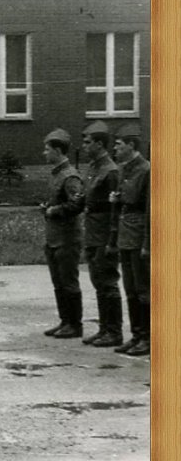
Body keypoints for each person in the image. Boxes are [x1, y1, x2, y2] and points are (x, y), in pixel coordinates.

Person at [80, 120, 123, 347]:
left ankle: (114, 331)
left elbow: (116, 210)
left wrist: (112, 240)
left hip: (105, 234)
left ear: (98, 143)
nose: (85, 146)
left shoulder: (111, 171)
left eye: (87, 143)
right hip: (93, 232)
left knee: (107, 281)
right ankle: (104, 328)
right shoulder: (95, 167)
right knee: (98, 280)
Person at [110, 122, 151, 357]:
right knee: (130, 289)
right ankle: (136, 335)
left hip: (138, 239)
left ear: (131, 145)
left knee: (143, 290)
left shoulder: (146, 171)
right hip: (126, 237)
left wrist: (147, 243)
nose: (115, 149)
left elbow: (150, 210)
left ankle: (148, 337)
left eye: (119, 145)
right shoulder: (125, 169)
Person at [40, 128, 85, 339]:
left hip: (67, 238)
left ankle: (75, 324)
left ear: (58, 150)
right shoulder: (57, 174)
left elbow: (77, 204)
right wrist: (47, 207)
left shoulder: (70, 176)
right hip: (54, 237)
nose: (44, 153)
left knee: (68, 282)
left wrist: (54, 210)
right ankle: (65, 320)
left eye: (47, 150)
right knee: (58, 282)